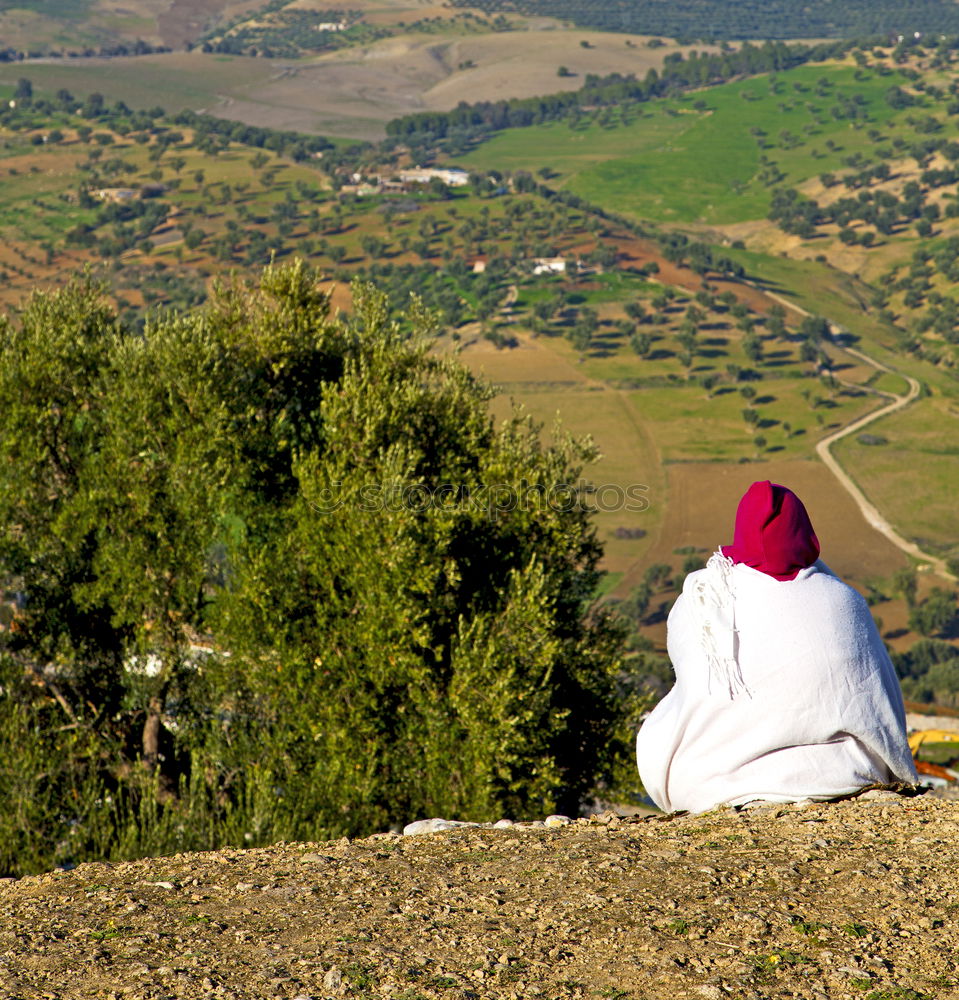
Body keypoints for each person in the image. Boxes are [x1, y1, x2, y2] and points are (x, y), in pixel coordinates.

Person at [636, 480, 917, 813]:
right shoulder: (844, 600)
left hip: (712, 782)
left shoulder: (704, 599)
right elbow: (880, 701)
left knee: (661, 721)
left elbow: (692, 690)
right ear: (805, 533)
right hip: (842, 773)